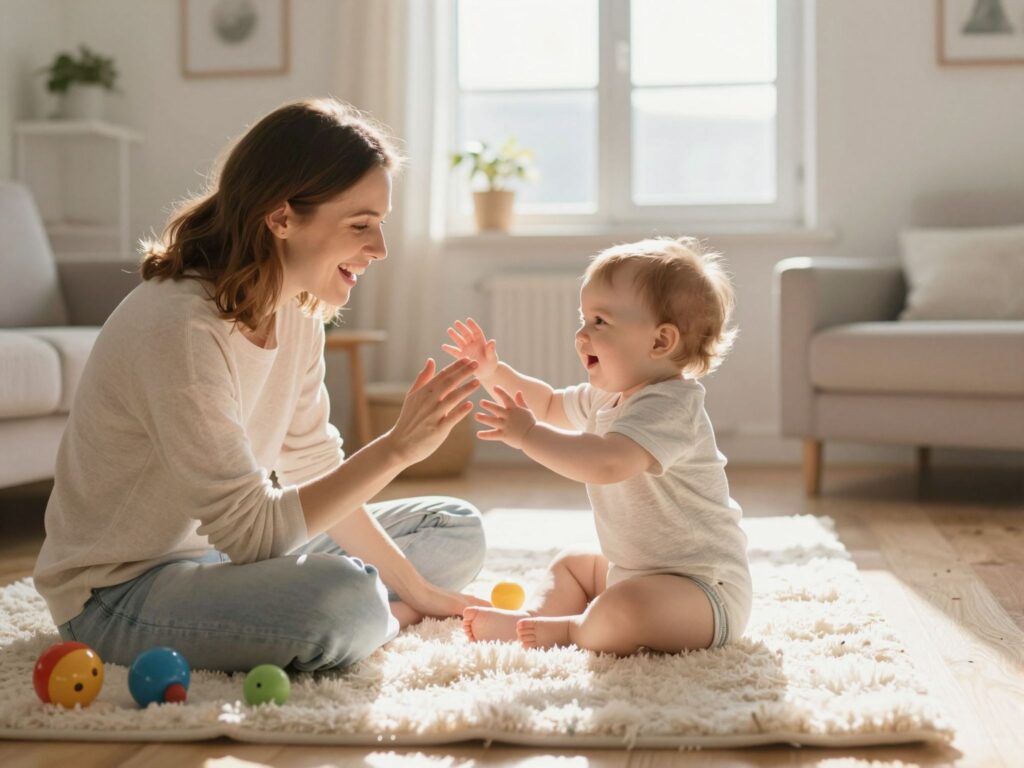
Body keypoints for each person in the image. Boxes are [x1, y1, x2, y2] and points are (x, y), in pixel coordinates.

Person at [33, 98, 488, 673]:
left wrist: (419, 590)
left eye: (381, 224)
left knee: (453, 528)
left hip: (220, 553)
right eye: (361, 225)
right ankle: (370, 615)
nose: (380, 249)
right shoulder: (180, 327)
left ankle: (377, 608)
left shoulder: (298, 312)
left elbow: (315, 470)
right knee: (344, 601)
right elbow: (254, 534)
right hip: (117, 594)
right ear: (280, 219)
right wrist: (397, 448)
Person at [447, 237, 751, 655]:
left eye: (600, 322)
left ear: (661, 342)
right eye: (583, 318)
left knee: (624, 607)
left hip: (703, 593)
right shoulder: (609, 395)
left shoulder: (671, 405)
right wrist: (495, 373)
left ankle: (573, 630)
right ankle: (536, 618)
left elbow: (608, 463)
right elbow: (550, 403)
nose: (581, 334)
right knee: (574, 565)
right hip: (634, 570)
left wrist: (528, 436)